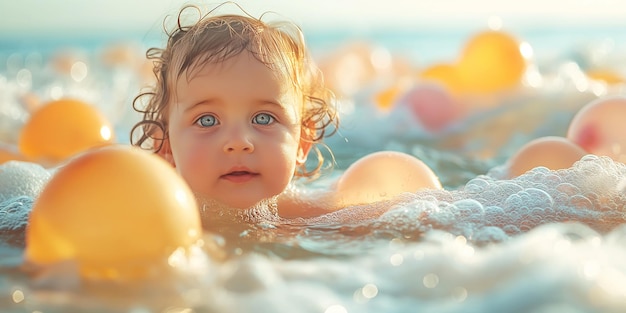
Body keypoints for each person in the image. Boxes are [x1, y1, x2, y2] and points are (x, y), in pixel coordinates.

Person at [130, 3, 441, 225]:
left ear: (303, 143)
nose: (239, 143)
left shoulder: (315, 213)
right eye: (207, 120)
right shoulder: (150, 217)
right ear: (165, 145)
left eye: (263, 118)